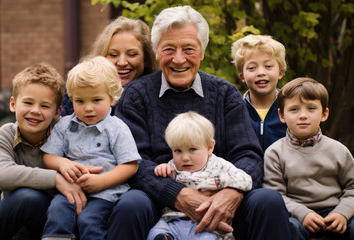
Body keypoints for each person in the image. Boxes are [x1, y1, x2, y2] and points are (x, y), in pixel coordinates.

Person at [112, 5, 292, 240]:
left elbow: (248, 153)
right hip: (158, 203)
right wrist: (178, 194)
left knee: (267, 200)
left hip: (221, 197)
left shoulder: (224, 93)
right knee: (130, 204)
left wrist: (230, 193)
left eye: (189, 49)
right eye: (169, 49)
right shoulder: (137, 95)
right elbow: (133, 161)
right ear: (157, 52)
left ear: (202, 52)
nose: (179, 59)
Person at [0, 63, 100, 240]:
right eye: (28, 102)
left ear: (57, 112)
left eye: (44, 106)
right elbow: (1, 176)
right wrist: (56, 179)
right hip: (9, 230)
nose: (35, 111)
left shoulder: (69, 135)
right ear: (13, 104)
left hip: (54, 227)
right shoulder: (4, 137)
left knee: (28, 197)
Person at [263, 77, 354, 240]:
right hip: (297, 217)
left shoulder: (337, 150)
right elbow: (275, 195)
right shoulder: (275, 153)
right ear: (281, 115)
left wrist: (342, 213)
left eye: (311, 108)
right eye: (294, 109)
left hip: (336, 214)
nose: (303, 115)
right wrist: (303, 214)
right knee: (288, 228)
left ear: (324, 114)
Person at [41, 56, 140, 240]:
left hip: (104, 193)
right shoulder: (64, 125)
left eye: (96, 100)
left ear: (112, 98)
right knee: (57, 209)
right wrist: (62, 163)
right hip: (70, 188)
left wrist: (101, 182)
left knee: (89, 220)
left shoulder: (117, 128)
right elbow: (48, 156)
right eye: (80, 101)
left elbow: (130, 164)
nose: (88, 108)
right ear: (71, 99)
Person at [147, 111, 253, 240]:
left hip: (206, 226)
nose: (185, 158)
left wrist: (220, 182)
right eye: (178, 150)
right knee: (155, 233)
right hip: (172, 221)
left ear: (209, 147)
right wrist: (162, 169)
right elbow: (159, 183)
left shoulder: (219, 165)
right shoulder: (172, 166)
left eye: (192, 149)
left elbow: (246, 180)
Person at [61, 16, 158, 116]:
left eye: (132, 54)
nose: (122, 62)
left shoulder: (155, 96)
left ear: (146, 58)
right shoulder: (79, 89)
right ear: (102, 55)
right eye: (113, 55)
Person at [231, 34, 287, 152]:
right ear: (242, 76)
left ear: (280, 72)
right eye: (252, 68)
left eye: (268, 66)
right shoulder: (235, 111)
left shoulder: (290, 109)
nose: (261, 72)